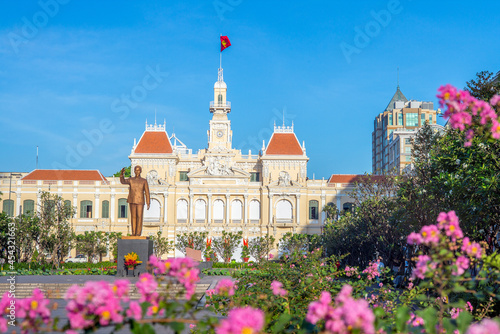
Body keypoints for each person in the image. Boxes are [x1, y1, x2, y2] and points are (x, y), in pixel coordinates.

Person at [120, 165, 150, 236]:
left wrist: (148, 202)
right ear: (134, 171)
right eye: (136, 170)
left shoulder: (144, 181)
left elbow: (147, 192)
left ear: (140, 171)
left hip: (140, 201)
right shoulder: (131, 180)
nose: (137, 172)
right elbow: (123, 181)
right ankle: (133, 232)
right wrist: (122, 174)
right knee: (133, 217)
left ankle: (138, 233)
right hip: (132, 200)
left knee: (139, 216)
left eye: (138, 170)